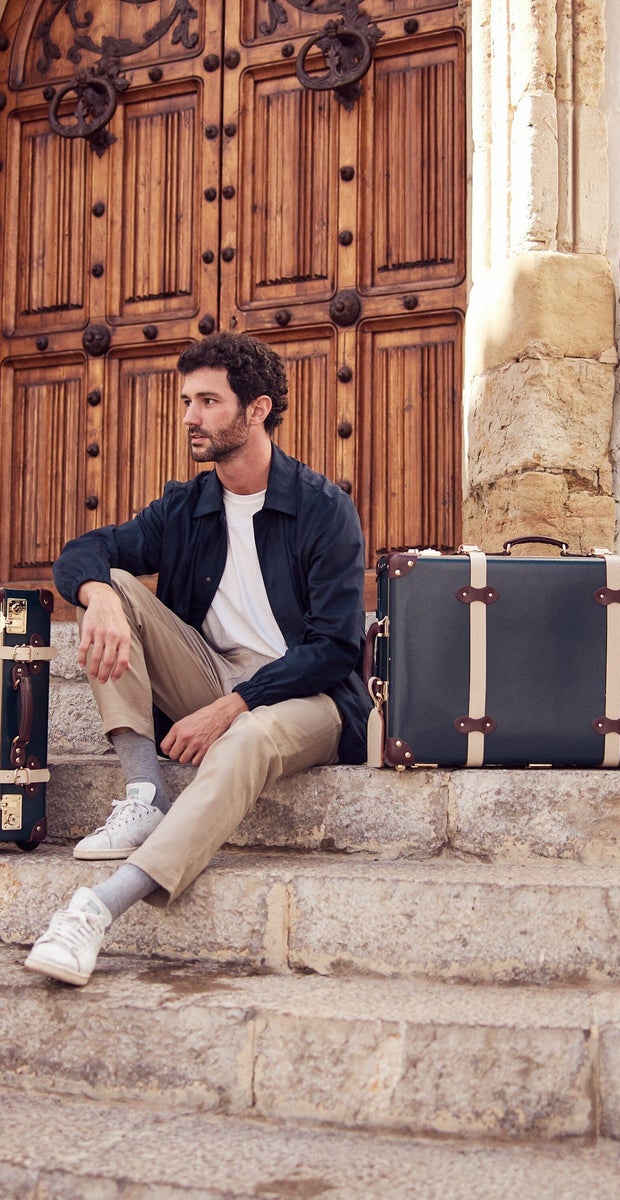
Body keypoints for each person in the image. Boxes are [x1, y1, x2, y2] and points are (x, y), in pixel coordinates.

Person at [24, 331, 370, 986]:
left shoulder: (324, 510)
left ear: (257, 409)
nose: (190, 417)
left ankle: (97, 910)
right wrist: (95, 595)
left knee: (250, 736)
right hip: (210, 681)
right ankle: (144, 790)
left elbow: (334, 648)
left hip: (309, 701)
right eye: (187, 401)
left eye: (208, 401)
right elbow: (82, 550)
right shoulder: (187, 508)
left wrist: (232, 708)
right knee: (117, 587)